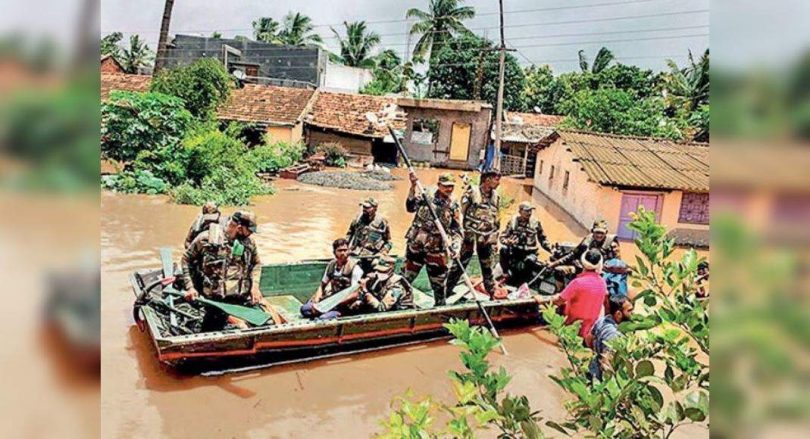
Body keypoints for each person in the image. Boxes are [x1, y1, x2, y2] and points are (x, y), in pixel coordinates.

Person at [182, 210, 283, 330]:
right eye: (249, 231)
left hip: (241, 299)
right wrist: (190, 287)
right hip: (216, 301)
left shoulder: (249, 243)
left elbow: (256, 263)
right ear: (239, 228)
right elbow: (186, 260)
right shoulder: (206, 239)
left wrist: (255, 287)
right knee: (227, 329)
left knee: (270, 322)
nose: (250, 234)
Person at [402, 171, 463, 307]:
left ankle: (439, 311)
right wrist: (412, 186)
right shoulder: (426, 195)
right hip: (416, 247)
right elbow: (410, 207)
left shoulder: (453, 204)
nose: (449, 189)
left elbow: (457, 230)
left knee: (439, 287)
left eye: (452, 186)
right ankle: (400, 305)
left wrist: (456, 247)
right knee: (405, 280)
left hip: (437, 251)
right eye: (446, 186)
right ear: (439, 185)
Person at [446, 168, 502, 298]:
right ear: (487, 179)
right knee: (460, 264)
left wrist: (495, 240)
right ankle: (446, 291)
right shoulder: (472, 192)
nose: (498, 183)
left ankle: (491, 294)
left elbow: (497, 219)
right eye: (496, 179)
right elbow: (460, 214)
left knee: (487, 267)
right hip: (469, 235)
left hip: (486, 237)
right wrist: (458, 235)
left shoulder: (496, 197)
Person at [544, 249, 608, 340]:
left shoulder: (577, 283)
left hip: (572, 330)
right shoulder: (602, 283)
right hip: (590, 332)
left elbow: (558, 301)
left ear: (582, 263)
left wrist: (541, 300)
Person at [300, 238, 364, 320]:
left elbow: (355, 294)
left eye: (345, 250)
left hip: (345, 305)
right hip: (331, 300)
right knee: (304, 309)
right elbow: (322, 285)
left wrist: (331, 305)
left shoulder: (355, 268)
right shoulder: (331, 265)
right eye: (340, 250)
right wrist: (316, 300)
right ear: (334, 252)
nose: (343, 253)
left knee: (323, 319)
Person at [499, 201, 555, 285]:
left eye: (530, 210)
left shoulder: (535, 222)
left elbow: (543, 239)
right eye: (527, 210)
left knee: (530, 260)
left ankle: (524, 281)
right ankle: (506, 274)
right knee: (503, 250)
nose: (529, 213)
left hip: (529, 253)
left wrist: (551, 250)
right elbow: (502, 237)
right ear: (520, 211)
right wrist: (508, 242)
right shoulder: (513, 222)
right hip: (515, 251)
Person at [588, 295, 634, 381]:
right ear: (618, 314)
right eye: (629, 311)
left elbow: (589, 337)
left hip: (593, 368)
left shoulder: (603, 320)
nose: (633, 314)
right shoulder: (614, 334)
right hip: (600, 378)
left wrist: (597, 351)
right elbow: (606, 362)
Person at [553, 219, 618, 276]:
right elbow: (573, 254)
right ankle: (560, 290)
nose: (599, 235)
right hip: (583, 269)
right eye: (597, 232)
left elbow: (617, 264)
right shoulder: (587, 241)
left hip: (602, 274)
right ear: (592, 231)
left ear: (606, 232)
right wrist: (554, 264)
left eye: (602, 233)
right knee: (559, 271)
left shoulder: (612, 244)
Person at [345, 197, 393, 274]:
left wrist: (384, 251)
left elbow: (389, 242)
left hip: (373, 255)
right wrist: (345, 249)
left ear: (375, 208)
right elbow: (349, 234)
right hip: (356, 254)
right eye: (363, 207)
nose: (364, 209)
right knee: (346, 270)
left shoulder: (382, 222)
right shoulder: (357, 219)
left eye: (367, 208)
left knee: (378, 267)